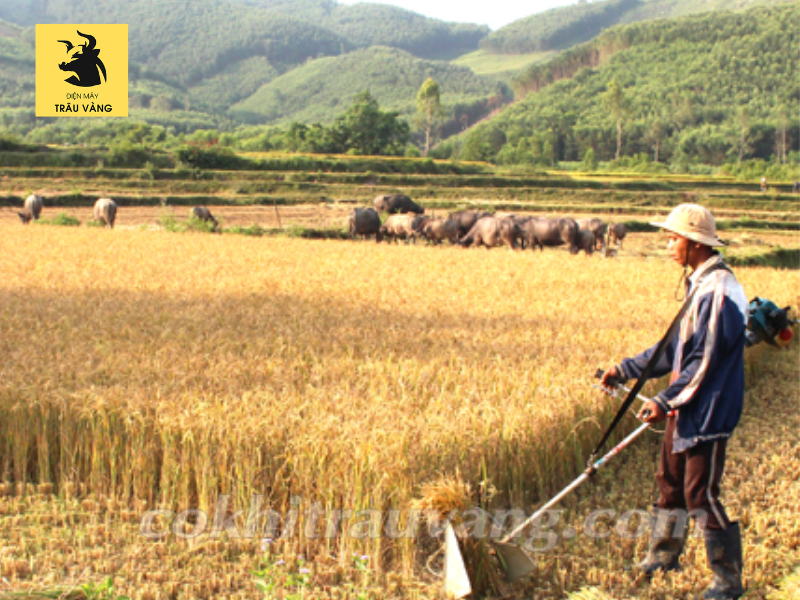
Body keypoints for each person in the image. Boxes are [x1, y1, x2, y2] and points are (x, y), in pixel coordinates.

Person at [601, 203, 748, 600]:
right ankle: (664, 556)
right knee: (670, 485)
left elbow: (705, 361)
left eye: (674, 238)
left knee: (701, 494)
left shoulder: (719, 292)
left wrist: (664, 400)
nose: (668, 245)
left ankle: (727, 579)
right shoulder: (699, 284)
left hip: (708, 410)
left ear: (695, 243)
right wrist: (624, 369)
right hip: (686, 406)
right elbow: (673, 350)